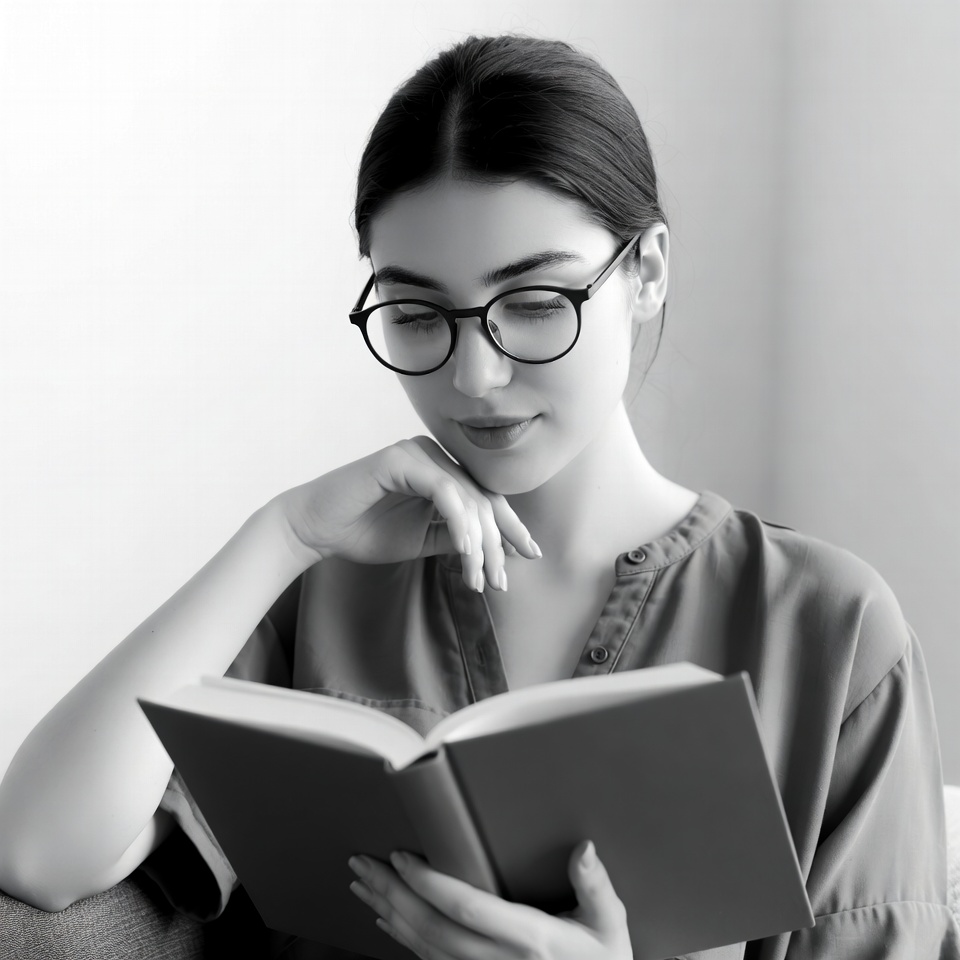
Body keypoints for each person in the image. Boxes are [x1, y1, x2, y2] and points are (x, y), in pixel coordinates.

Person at [0, 33, 956, 960]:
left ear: (648, 273)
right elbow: (37, 858)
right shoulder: (327, 592)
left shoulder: (830, 630)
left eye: (536, 304)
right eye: (416, 315)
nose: (476, 376)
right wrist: (282, 533)